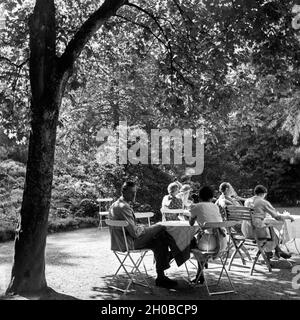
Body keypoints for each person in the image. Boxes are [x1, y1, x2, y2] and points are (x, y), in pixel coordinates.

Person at [109, 181, 178, 289]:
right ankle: (173, 255)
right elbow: (135, 233)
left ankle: (162, 274)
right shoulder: (123, 207)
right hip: (128, 243)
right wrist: (143, 228)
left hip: (119, 242)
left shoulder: (114, 205)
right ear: (123, 191)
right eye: (131, 192)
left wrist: (141, 228)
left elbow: (131, 228)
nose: (134, 195)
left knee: (159, 240)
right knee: (161, 226)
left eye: (135, 192)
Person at [243, 185, 294, 260]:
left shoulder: (247, 201)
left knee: (269, 227)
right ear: (263, 194)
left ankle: (274, 252)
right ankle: (274, 252)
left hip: (246, 230)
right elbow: (277, 216)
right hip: (257, 232)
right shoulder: (262, 202)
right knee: (272, 229)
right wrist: (288, 217)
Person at [189, 186, 228, 283]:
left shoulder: (196, 206)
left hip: (207, 245)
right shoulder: (215, 206)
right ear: (211, 197)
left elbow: (191, 223)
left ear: (199, 196)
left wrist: (193, 217)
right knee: (197, 239)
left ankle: (200, 272)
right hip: (222, 243)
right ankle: (200, 271)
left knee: (190, 241)